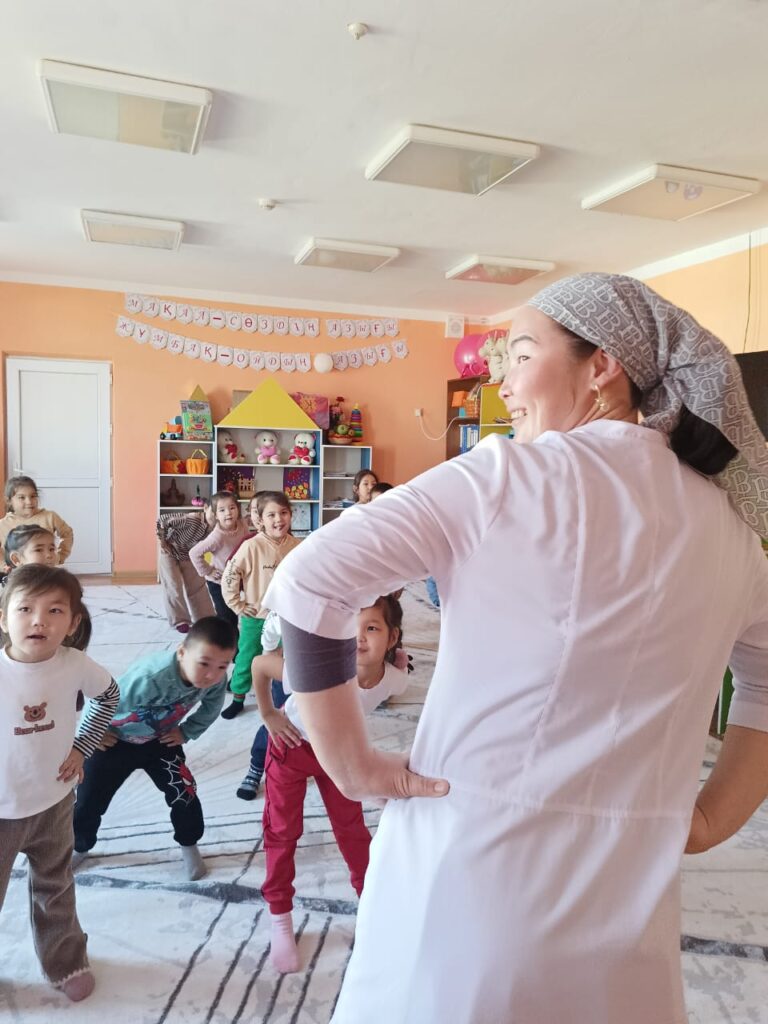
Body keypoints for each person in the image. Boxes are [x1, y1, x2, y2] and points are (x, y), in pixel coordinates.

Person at [264, 272, 768, 1024]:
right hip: (629, 905)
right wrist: (713, 818)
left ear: (603, 367)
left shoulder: (507, 476)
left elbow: (311, 579)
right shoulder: (731, 532)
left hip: (471, 884)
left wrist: (351, 764)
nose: (501, 383)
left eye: (522, 354)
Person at [255, 595, 408, 973]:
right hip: (292, 747)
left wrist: (399, 661)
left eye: (371, 628)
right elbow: (260, 664)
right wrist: (268, 713)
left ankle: (370, 906)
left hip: (341, 755)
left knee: (352, 830)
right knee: (283, 831)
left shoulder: (395, 679)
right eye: (350, 628)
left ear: (392, 637)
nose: (359, 638)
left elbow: (398, 676)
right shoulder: (319, 669)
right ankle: (280, 916)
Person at [0, 565, 119, 1002]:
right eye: (25, 609)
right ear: (3, 617)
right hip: (2, 807)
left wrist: (82, 746)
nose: (39, 621)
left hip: (54, 801)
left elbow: (109, 695)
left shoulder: (74, 664)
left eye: (54, 611)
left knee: (56, 888)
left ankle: (65, 961)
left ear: (72, 623)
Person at [72, 616, 237, 881]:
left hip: (161, 740)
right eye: (204, 663)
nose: (212, 675)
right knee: (88, 798)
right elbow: (101, 698)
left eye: (222, 666)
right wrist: (94, 734)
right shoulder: (149, 677)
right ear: (182, 652)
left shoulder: (216, 681)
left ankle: (189, 843)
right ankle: (79, 845)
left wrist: (187, 731)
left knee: (185, 793)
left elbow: (211, 708)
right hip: (116, 741)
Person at [219, 491, 301, 720]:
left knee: (285, 659)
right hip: (255, 616)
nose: (279, 519)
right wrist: (237, 604)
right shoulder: (251, 546)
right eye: (271, 515)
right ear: (260, 519)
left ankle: (281, 698)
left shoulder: (297, 546)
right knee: (247, 658)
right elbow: (230, 575)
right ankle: (238, 698)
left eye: (284, 513)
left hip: (286, 617)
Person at [189, 491, 249, 633]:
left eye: (232, 508)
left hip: (236, 577)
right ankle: (228, 643)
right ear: (215, 515)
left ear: (238, 509)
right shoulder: (217, 537)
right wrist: (208, 571)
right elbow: (194, 553)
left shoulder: (242, 525)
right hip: (219, 582)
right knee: (227, 617)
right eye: (222, 510)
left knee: (238, 610)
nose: (228, 513)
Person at [156, 500, 216, 633]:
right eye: (214, 511)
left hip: (189, 555)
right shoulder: (192, 520)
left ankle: (205, 618)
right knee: (173, 584)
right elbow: (162, 520)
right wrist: (162, 541)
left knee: (198, 586)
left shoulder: (216, 530)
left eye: (220, 512)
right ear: (205, 508)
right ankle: (180, 620)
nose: (216, 516)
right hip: (170, 551)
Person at [0, 476, 74, 566]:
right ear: (9, 501)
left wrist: (60, 556)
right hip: (15, 572)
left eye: (33, 496)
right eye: (22, 497)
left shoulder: (50, 517)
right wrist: (3, 565)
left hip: (46, 570)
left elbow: (67, 533)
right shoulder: (3, 524)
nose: (29, 502)